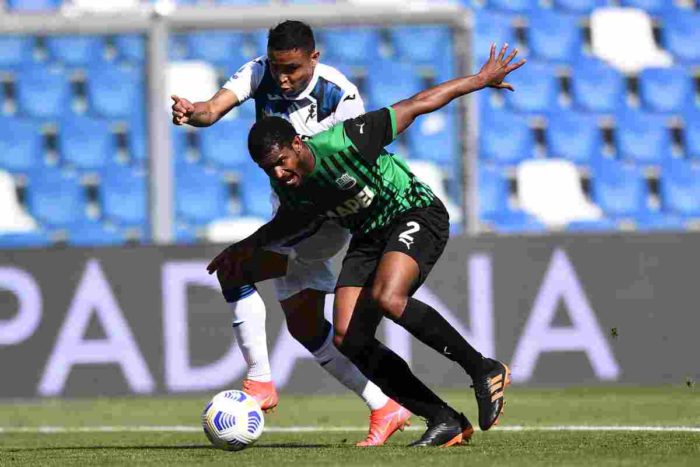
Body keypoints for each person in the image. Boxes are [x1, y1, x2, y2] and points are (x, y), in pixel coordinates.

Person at [207, 43, 526, 447]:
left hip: (414, 212)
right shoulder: (290, 190)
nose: (279, 172)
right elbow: (284, 226)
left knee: (389, 298)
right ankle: (442, 418)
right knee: (347, 337)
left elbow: (417, 103)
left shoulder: (347, 141)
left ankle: (483, 368)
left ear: (299, 144)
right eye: (268, 169)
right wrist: (242, 249)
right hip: (369, 235)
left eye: (282, 161)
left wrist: (479, 80)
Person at [171, 20, 410, 446]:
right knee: (304, 326)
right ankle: (385, 407)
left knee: (235, 269)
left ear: (314, 59)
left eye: (293, 69)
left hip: (326, 215)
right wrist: (194, 114)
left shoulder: (340, 95)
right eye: (278, 67)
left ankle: (261, 382)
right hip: (290, 212)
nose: (283, 78)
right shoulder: (260, 72)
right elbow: (213, 107)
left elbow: (352, 164)